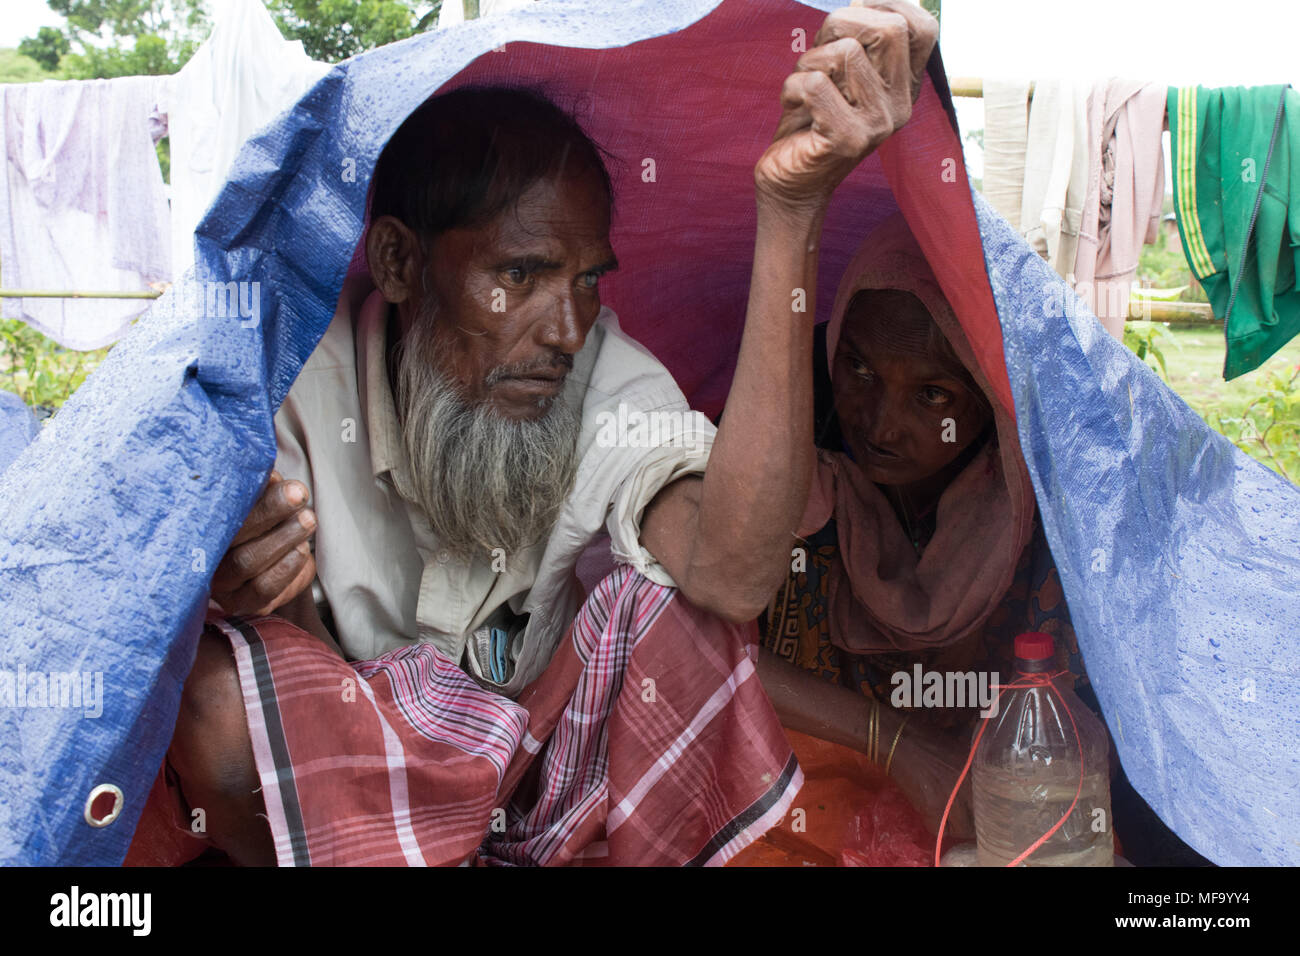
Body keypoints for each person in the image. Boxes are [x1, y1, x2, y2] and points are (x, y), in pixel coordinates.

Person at [126, 4, 943, 865]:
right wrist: (264, 590)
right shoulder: (293, 385)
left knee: (679, 617)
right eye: (520, 275)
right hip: (359, 787)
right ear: (401, 263)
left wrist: (791, 210)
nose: (565, 329)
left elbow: (731, 574)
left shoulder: (602, 375)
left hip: (541, 785)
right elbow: (271, 668)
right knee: (220, 698)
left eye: (588, 279)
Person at [754, 214, 1094, 843]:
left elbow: (1063, 740)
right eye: (858, 370)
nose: (880, 426)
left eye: (933, 396)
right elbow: (706, 656)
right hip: (804, 820)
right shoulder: (790, 487)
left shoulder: (1046, 523)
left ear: (989, 397)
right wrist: (898, 745)